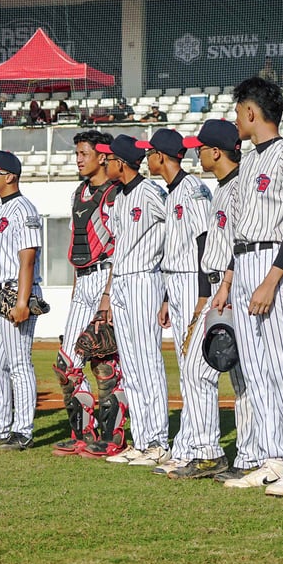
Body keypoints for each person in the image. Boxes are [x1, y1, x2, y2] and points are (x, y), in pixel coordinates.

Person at [216, 77, 283, 496]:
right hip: (245, 260)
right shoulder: (251, 160)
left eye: (238, 110)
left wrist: (272, 279)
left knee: (282, 368)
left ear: (252, 112)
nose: (235, 118)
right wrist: (233, 279)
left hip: (273, 262)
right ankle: (273, 458)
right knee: (256, 373)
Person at [164, 119, 252, 480]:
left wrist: (218, 291)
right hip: (219, 285)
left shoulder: (237, 189)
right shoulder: (220, 189)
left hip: (229, 287)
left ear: (216, 151)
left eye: (201, 147)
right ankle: (210, 452)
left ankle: (245, 454)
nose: (196, 152)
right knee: (209, 370)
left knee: (239, 376)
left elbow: (239, 243)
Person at [136, 128, 212, 476]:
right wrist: (167, 296)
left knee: (196, 371)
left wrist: (201, 295)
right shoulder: (171, 192)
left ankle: (201, 447)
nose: (146, 158)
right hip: (175, 283)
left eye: (149, 152)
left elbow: (203, 243)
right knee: (187, 370)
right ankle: (187, 445)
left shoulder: (192, 188)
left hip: (191, 283)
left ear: (161, 156)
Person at [95, 134, 170, 467]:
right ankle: (142, 439)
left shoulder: (151, 192)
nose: (104, 162)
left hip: (146, 279)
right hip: (124, 282)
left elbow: (178, 230)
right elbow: (118, 251)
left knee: (148, 362)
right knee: (132, 365)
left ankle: (159, 442)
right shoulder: (118, 197)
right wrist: (108, 295)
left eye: (107, 158)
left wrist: (168, 286)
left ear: (121, 163)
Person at [50, 130, 124, 457]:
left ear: (102, 156)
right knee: (66, 364)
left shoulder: (114, 194)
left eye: (84, 153)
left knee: (105, 364)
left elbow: (120, 247)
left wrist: (107, 296)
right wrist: (76, 293)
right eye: (77, 153)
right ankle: (83, 433)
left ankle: (112, 438)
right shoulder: (78, 192)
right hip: (84, 281)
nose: (78, 159)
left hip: (108, 278)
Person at [0, 150, 44, 450]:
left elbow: (28, 259)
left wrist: (23, 302)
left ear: (10, 176)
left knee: (18, 363)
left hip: (16, 292)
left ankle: (23, 430)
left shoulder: (24, 209)